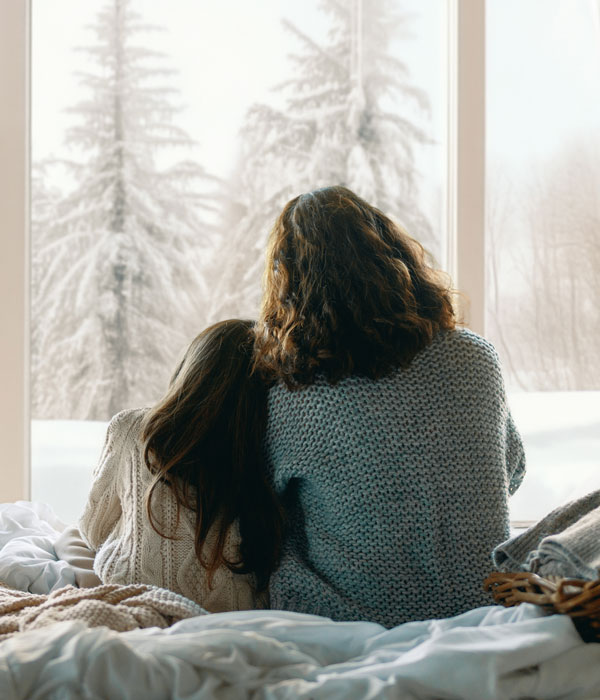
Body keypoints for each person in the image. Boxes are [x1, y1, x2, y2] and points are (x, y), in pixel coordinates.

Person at [253, 185, 526, 628]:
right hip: (483, 609)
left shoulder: (295, 392)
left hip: (353, 620)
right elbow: (511, 471)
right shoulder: (476, 357)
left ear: (289, 284)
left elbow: (264, 510)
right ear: (393, 254)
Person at [77, 319, 284, 612]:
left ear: (191, 369)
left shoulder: (131, 429)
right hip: (235, 615)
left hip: (133, 597)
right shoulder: (269, 448)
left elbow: (92, 530)